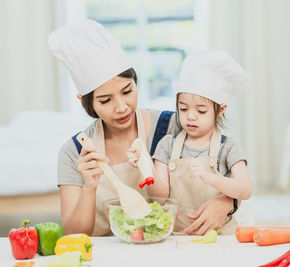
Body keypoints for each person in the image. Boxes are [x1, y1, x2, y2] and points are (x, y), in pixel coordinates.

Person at [49, 19, 237, 236]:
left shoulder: (175, 127)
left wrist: (227, 202)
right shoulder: (74, 152)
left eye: (127, 91)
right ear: (85, 101)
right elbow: (73, 233)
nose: (122, 107)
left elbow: (232, 172)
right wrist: (89, 187)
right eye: (105, 100)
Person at [128, 50, 252, 234]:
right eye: (183, 109)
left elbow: (245, 189)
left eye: (201, 111)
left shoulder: (228, 147)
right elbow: (161, 198)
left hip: (220, 237)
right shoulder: (167, 145)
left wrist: (212, 178)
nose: (191, 117)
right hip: (178, 236)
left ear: (220, 110)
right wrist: (145, 165)